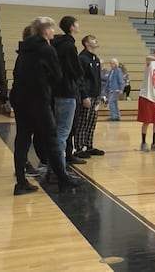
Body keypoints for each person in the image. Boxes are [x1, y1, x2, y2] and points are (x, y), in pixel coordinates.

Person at [10, 17, 81, 195]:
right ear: (45, 30)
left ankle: (21, 182)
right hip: (38, 99)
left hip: (19, 98)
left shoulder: (24, 48)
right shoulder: (46, 49)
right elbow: (57, 75)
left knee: (22, 140)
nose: (53, 32)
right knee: (52, 139)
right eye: (51, 28)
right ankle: (62, 179)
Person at [50, 16, 85, 168]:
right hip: (68, 91)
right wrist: (79, 75)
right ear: (71, 27)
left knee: (59, 129)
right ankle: (58, 168)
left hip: (56, 90)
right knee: (63, 131)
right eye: (76, 24)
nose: (78, 26)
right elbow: (76, 70)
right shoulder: (69, 46)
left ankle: (54, 166)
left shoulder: (56, 44)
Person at [73, 34, 103, 158]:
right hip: (87, 95)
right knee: (82, 122)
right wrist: (84, 96)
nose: (95, 40)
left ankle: (89, 145)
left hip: (96, 95)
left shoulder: (95, 59)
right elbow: (81, 79)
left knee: (92, 122)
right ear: (86, 43)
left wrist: (100, 94)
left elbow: (98, 79)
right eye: (92, 39)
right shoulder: (82, 58)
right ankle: (79, 147)